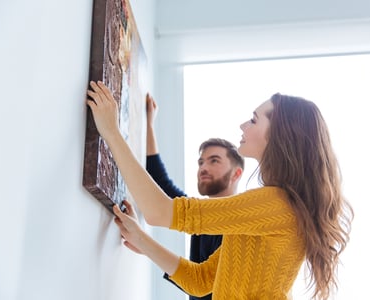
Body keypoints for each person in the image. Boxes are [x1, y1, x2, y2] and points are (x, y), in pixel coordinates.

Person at [86, 81, 354, 300]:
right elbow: (200, 280)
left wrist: (111, 132)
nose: (243, 126)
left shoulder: (273, 204)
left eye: (253, 120)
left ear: (280, 135)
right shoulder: (271, 207)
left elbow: (159, 212)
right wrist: (141, 238)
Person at [144, 93, 244, 300]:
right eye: (201, 162)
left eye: (214, 161)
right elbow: (161, 184)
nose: (203, 168)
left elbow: (203, 285)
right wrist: (149, 126)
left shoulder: (241, 224)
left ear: (236, 173)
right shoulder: (200, 215)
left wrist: (144, 243)